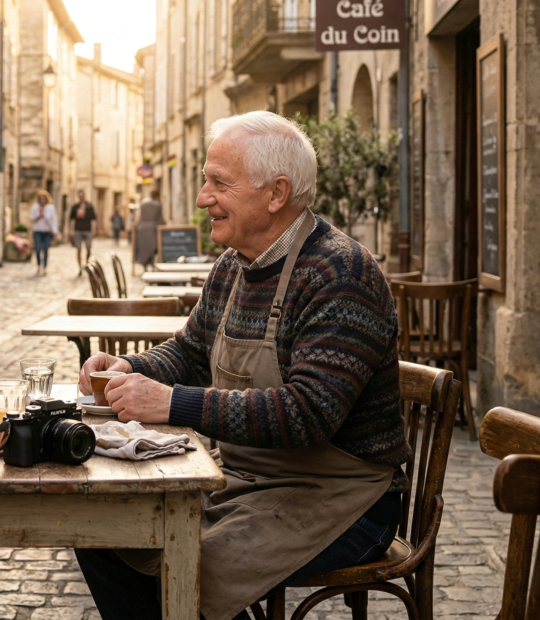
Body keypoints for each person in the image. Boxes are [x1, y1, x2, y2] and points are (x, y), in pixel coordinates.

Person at [75, 111, 410, 620]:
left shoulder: (341, 272)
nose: (202, 198)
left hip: (343, 499)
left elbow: (308, 413)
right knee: (105, 529)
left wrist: (170, 403)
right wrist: (128, 366)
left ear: (276, 194)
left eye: (218, 183)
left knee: (186, 564)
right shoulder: (234, 264)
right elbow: (189, 352)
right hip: (242, 480)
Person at [133, 187, 165, 270]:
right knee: (153, 247)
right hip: (153, 229)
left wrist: (135, 225)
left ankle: (145, 265)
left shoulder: (143, 202)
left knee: (144, 247)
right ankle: (152, 264)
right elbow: (160, 219)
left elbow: (139, 216)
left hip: (143, 228)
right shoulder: (157, 204)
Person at [29, 189, 58, 276]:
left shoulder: (50, 208)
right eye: (41, 199)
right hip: (37, 231)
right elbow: (31, 218)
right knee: (38, 249)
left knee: (45, 249)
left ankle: (44, 267)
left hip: (47, 232)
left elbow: (53, 220)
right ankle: (38, 265)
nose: (42, 200)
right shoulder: (35, 207)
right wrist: (39, 214)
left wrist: (54, 231)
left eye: (44, 199)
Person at [68, 189, 97, 276]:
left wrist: (94, 230)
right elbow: (71, 219)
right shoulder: (75, 207)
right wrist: (71, 230)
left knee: (88, 248)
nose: (81, 197)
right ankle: (80, 267)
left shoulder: (89, 206)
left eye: (82, 195)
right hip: (78, 229)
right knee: (78, 249)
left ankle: (87, 263)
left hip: (87, 229)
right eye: (79, 195)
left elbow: (94, 218)